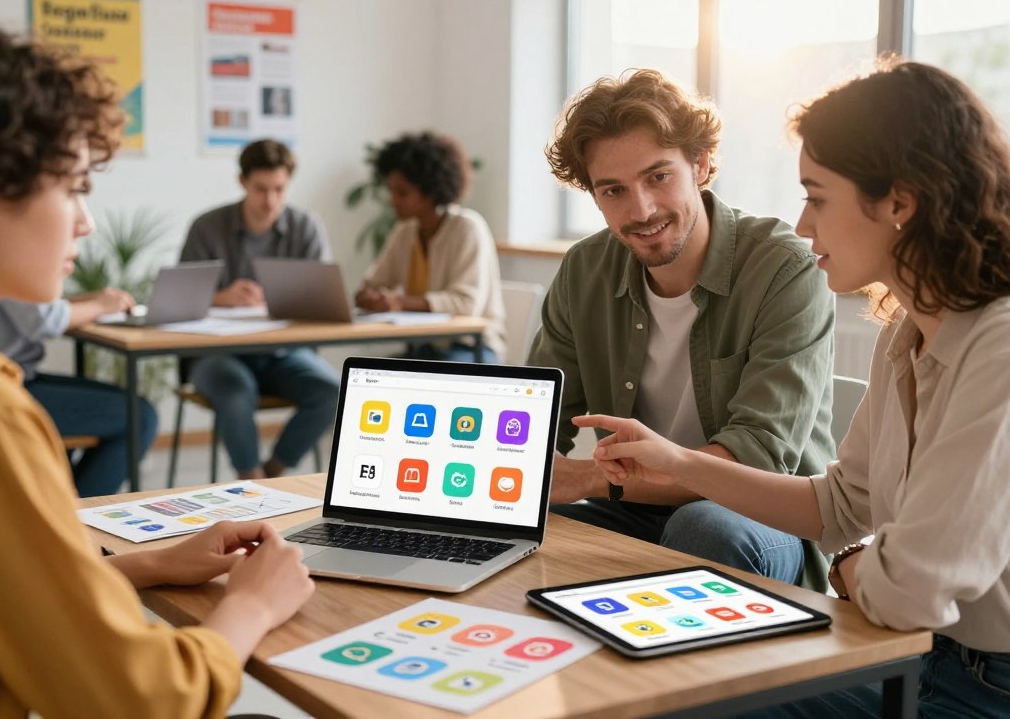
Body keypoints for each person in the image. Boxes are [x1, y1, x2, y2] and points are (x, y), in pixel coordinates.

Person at [579, 60, 1010, 717]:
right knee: (672, 688)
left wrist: (853, 571)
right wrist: (675, 460)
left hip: (983, 683)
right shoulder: (908, 332)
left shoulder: (998, 346)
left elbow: (910, 591)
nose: (805, 225)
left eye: (818, 196)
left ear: (899, 200)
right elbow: (839, 507)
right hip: (925, 653)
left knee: (694, 701)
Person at [0, 24, 314, 718]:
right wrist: (252, 606)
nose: (86, 223)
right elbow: (145, 700)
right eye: (74, 188)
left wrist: (143, 563)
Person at [530, 69, 835, 591]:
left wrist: (584, 479)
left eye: (658, 177)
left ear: (701, 164)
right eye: (614, 190)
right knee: (531, 537)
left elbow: (755, 456)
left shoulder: (784, 269)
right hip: (633, 511)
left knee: (704, 527)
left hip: (759, 518)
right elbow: (534, 412)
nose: (641, 210)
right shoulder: (585, 269)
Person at [180, 138, 340, 479]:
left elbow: (321, 300)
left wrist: (282, 301)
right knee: (236, 394)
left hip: (283, 352)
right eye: (261, 189)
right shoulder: (206, 227)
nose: (270, 201)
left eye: (280, 189)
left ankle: (272, 474)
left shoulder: (305, 227)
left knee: (332, 392)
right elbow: (179, 300)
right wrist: (219, 297)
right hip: (217, 354)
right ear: (243, 183)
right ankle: (251, 483)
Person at [0, 292, 159, 496]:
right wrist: (100, 305)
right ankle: (80, 516)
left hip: (20, 375)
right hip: (7, 386)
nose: (73, 259)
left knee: (133, 405)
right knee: (139, 416)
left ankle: (68, 505)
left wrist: (91, 301)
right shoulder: (4, 265)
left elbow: (41, 309)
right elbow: (44, 320)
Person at [355, 132, 506, 363]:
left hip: (472, 349)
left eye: (402, 192)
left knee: (422, 376)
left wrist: (399, 302)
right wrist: (370, 297)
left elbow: (466, 305)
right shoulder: (405, 232)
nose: (392, 199)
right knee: (364, 376)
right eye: (391, 190)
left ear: (431, 192)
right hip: (423, 351)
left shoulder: (467, 228)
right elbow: (372, 284)